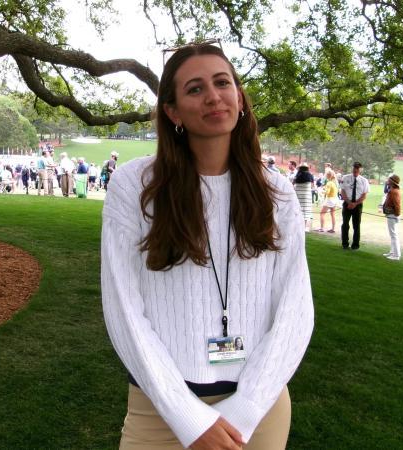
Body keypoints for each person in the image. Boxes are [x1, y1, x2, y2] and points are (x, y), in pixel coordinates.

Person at [101, 41, 314, 450]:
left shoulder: (277, 194)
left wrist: (247, 408)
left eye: (223, 82)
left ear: (239, 96)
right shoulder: (135, 187)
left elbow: (295, 309)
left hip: (258, 411)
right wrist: (186, 416)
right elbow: (123, 309)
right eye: (195, 89)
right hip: (160, 410)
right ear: (173, 111)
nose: (214, 96)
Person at [339, 161, 369, 250]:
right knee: (345, 224)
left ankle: (355, 245)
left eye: (357, 168)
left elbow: (364, 195)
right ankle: (345, 244)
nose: (355, 169)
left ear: (360, 169)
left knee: (356, 225)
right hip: (347, 204)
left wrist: (355, 203)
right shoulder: (345, 178)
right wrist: (349, 202)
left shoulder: (364, 181)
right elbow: (342, 191)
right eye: (354, 168)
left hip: (358, 205)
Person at [382, 174, 402, 260]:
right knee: (393, 234)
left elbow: (397, 204)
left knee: (393, 235)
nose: (387, 180)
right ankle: (392, 252)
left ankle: (396, 255)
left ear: (392, 181)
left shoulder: (394, 191)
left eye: (389, 179)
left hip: (392, 215)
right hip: (392, 214)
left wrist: (397, 214)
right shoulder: (393, 190)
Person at [293, 162, 314, 232]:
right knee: (306, 211)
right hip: (306, 196)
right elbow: (312, 186)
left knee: (298, 210)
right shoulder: (310, 175)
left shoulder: (297, 175)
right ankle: (305, 227)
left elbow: (293, 184)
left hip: (298, 195)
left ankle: (297, 225)